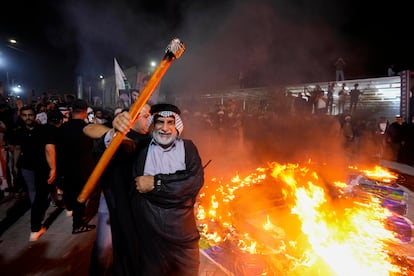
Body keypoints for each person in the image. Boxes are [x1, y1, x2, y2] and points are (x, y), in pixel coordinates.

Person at [101, 103, 204, 275]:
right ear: (152, 124)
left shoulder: (188, 148)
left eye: (170, 122)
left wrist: (156, 183)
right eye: (159, 122)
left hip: (181, 237)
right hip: (148, 237)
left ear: (177, 125)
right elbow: (103, 149)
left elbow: (193, 182)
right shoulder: (139, 147)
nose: (165, 128)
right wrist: (114, 129)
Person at [84, 104, 151, 275]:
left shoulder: (150, 136)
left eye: (150, 114)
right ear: (131, 117)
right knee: (104, 247)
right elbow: (89, 128)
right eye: (145, 114)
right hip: (113, 200)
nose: (149, 118)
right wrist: (114, 133)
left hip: (140, 206)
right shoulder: (119, 134)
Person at [9, 105, 58, 241]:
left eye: (30, 115)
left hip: (42, 167)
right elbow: (18, 148)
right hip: (27, 167)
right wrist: (15, 165)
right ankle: (36, 223)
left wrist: (53, 168)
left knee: (41, 194)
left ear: (35, 116)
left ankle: (36, 220)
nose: (27, 118)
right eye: (25, 115)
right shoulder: (19, 132)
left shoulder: (44, 130)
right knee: (34, 192)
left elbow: (50, 149)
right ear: (21, 116)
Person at [56, 99, 96, 234]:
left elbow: (57, 150)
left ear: (71, 111)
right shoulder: (87, 128)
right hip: (82, 169)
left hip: (65, 168)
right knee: (81, 197)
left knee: (71, 194)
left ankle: (72, 211)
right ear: (85, 112)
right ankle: (78, 224)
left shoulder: (62, 128)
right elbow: (92, 149)